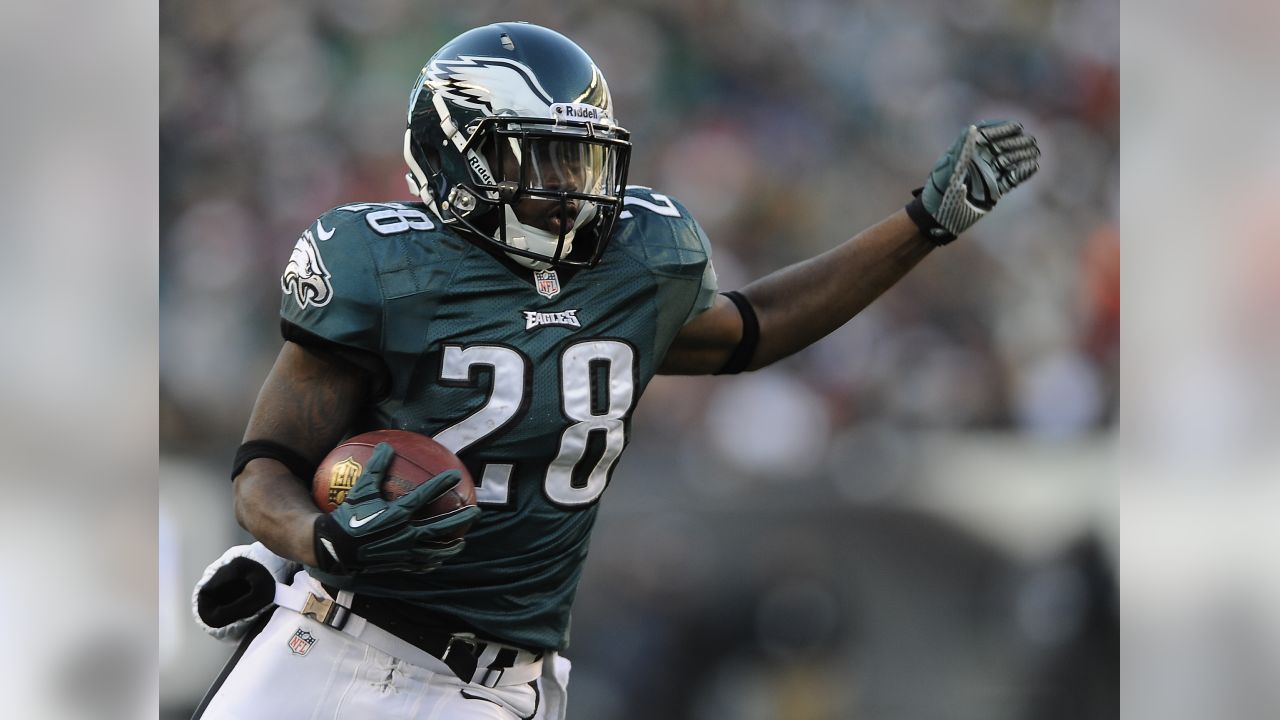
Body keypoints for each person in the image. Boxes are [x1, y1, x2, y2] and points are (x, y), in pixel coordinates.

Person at [189, 20, 1040, 720]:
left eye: (580, 158)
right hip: (335, 639)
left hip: (492, 687)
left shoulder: (637, 259)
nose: (570, 188)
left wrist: (922, 223)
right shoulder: (382, 264)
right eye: (539, 159)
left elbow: (755, 326)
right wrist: (316, 535)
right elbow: (267, 468)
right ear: (452, 157)